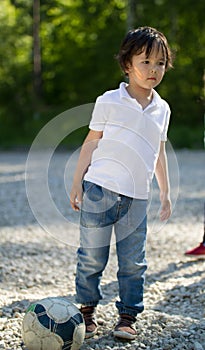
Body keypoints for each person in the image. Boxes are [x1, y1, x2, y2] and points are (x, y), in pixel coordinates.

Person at [70, 26, 173, 341]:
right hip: (99, 190)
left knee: (133, 262)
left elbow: (158, 152)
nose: (153, 69)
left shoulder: (162, 109)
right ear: (127, 64)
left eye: (159, 63)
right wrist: (77, 182)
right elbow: (90, 142)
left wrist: (165, 193)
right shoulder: (109, 101)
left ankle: (128, 316)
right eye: (145, 62)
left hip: (137, 199)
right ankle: (86, 311)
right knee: (91, 255)